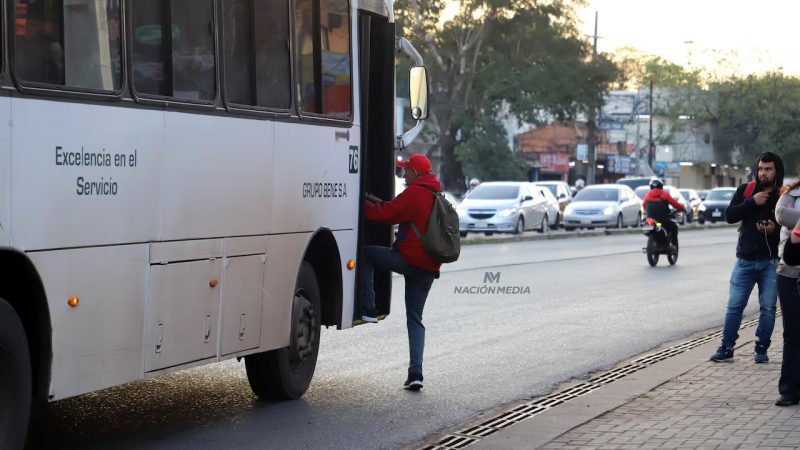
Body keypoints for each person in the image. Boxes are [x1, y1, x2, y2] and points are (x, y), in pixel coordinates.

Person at [360, 153, 441, 391]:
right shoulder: (436, 194)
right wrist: (375, 199)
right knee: (415, 320)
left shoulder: (414, 193)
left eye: (406, 170)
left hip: (407, 260)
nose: (403, 174)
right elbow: (394, 208)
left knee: (365, 254)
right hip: (429, 268)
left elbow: (385, 215)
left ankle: (368, 308)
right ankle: (416, 373)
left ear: (415, 172)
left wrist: (360, 203)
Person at [710, 152, 783, 363]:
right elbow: (730, 216)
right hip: (744, 260)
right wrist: (752, 202)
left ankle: (761, 348)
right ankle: (726, 347)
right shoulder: (746, 190)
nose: (763, 173)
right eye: (760, 169)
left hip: (770, 262)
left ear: (777, 171)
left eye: (768, 169)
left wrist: (773, 230)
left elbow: (790, 227)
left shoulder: (783, 196)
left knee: (768, 307)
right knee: (734, 306)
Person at [773, 179, 800, 405]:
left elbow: (790, 218)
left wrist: (797, 218)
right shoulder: (793, 192)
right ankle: (789, 390)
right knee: (792, 333)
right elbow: (781, 214)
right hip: (789, 271)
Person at [641, 179, 685, 249]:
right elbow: (675, 204)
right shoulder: (665, 195)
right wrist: (682, 207)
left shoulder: (647, 195)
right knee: (674, 227)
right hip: (663, 219)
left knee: (647, 227)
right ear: (661, 187)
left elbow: (644, 206)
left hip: (650, 220)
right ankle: (673, 245)